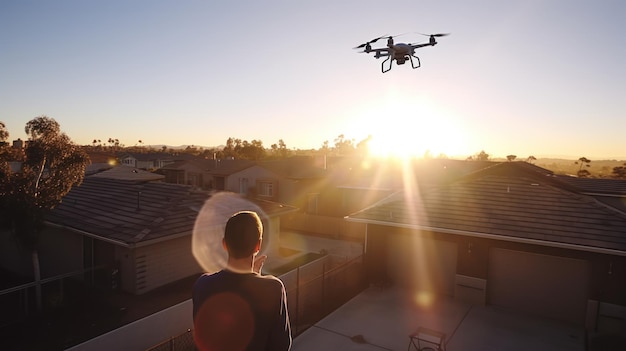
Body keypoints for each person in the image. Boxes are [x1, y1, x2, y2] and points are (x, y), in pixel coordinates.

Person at [192, 211, 292, 351]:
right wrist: (257, 280)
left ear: (224, 244)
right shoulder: (273, 289)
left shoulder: (202, 285)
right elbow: (282, 346)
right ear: (258, 245)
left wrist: (254, 279)